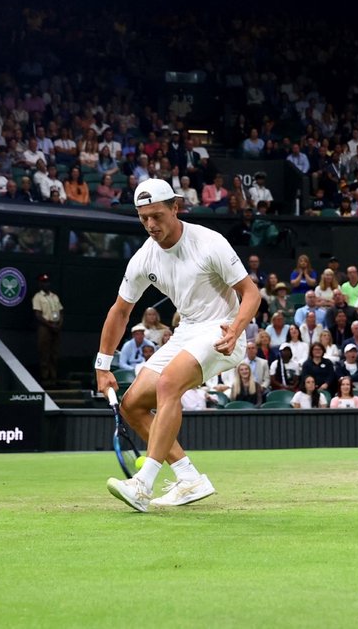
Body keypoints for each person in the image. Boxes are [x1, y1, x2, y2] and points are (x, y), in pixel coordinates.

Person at [96, 179, 260, 512]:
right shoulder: (144, 258)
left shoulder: (210, 242)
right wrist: (103, 366)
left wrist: (236, 329)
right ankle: (189, 478)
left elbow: (251, 293)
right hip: (187, 331)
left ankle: (143, 485)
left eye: (157, 215)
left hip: (222, 329)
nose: (151, 225)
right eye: (144, 219)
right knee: (132, 405)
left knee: (169, 383)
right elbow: (120, 311)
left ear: (175, 207)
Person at [32, 274, 63, 386]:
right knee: (44, 352)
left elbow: (60, 311)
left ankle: (53, 376)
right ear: (40, 284)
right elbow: (38, 314)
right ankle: (45, 377)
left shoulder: (54, 296)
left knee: (54, 352)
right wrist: (50, 325)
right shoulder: (38, 297)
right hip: (45, 327)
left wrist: (59, 324)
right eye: (43, 282)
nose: (46, 284)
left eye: (47, 282)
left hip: (56, 326)